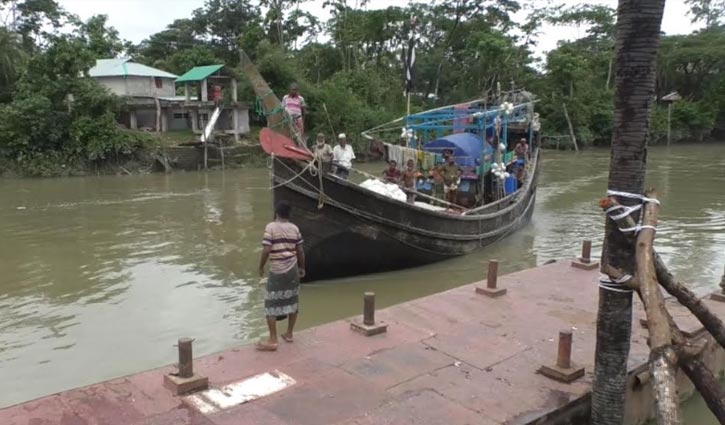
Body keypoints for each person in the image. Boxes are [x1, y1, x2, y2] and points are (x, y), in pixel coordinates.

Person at [257, 201, 305, 351]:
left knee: (270, 304)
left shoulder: (270, 227)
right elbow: (300, 250)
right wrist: (302, 267)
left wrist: (261, 266)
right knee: (292, 299)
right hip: (292, 270)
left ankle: (273, 339)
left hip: (277, 270)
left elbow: (266, 249)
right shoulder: (295, 228)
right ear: (288, 214)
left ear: (276, 213)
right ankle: (289, 333)